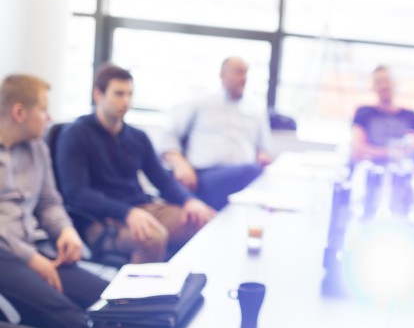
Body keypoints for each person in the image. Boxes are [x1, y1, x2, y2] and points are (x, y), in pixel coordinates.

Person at [55, 64, 216, 264]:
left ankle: (179, 289)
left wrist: (189, 200)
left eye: (129, 94)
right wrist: (127, 212)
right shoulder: (75, 134)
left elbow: (163, 181)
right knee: (152, 237)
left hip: (141, 208)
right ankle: (131, 296)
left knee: (205, 221)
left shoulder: (137, 137)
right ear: (98, 95)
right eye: (119, 94)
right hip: (101, 220)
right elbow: (76, 194)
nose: (126, 101)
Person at [0, 74, 109, 328]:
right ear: (19, 112)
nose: (49, 117)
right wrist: (30, 257)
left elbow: (49, 203)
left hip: (39, 250)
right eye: (43, 109)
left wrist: (66, 231)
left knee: (113, 298)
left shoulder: (38, 147)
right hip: (6, 258)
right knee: (75, 320)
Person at [159, 57, 272, 210]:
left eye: (246, 73)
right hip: (204, 176)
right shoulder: (200, 103)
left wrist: (263, 155)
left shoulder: (256, 110)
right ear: (222, 75)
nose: (244, 78)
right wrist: (180, 164)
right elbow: (169, 137)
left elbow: (264, 148)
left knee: (260, 176)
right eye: (238, 72)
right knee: (253, 172)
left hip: (242, 177)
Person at [350, 65, 414, 164]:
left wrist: (373, 152)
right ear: (373, 86)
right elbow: (357, 150)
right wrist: (389, 153)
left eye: (386, 80)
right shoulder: (363, 114)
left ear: (394, 83)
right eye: (378, 82)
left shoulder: (411, 116)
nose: (383, 86)